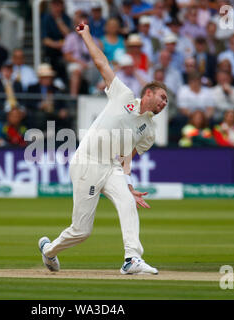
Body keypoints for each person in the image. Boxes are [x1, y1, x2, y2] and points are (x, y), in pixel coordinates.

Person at [38, 22, 168, 275]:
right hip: (87, 162)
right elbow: (102, 64)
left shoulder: (150, 131)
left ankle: (132, 258)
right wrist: (85, 34)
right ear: (149, 93)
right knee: (81, 231)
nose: (164, 103)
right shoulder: (124, 95)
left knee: (128, 202)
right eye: (162, 97)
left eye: (166, 101)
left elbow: (127, 156)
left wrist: (128, 185)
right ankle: (49, 250)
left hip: (111, 167)